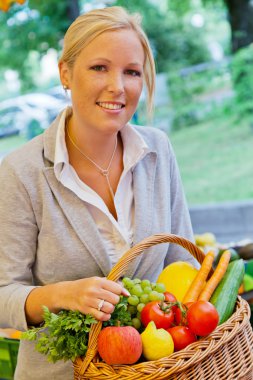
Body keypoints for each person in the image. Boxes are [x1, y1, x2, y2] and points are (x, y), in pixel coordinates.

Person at [0, 6, 198, 380]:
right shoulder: (22, 172)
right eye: (99, 68)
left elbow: (182, 263)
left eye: (132, 72)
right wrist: (62, 295)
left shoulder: (157, 151)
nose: (118, 86)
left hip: (157, 372)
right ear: (65, 73)